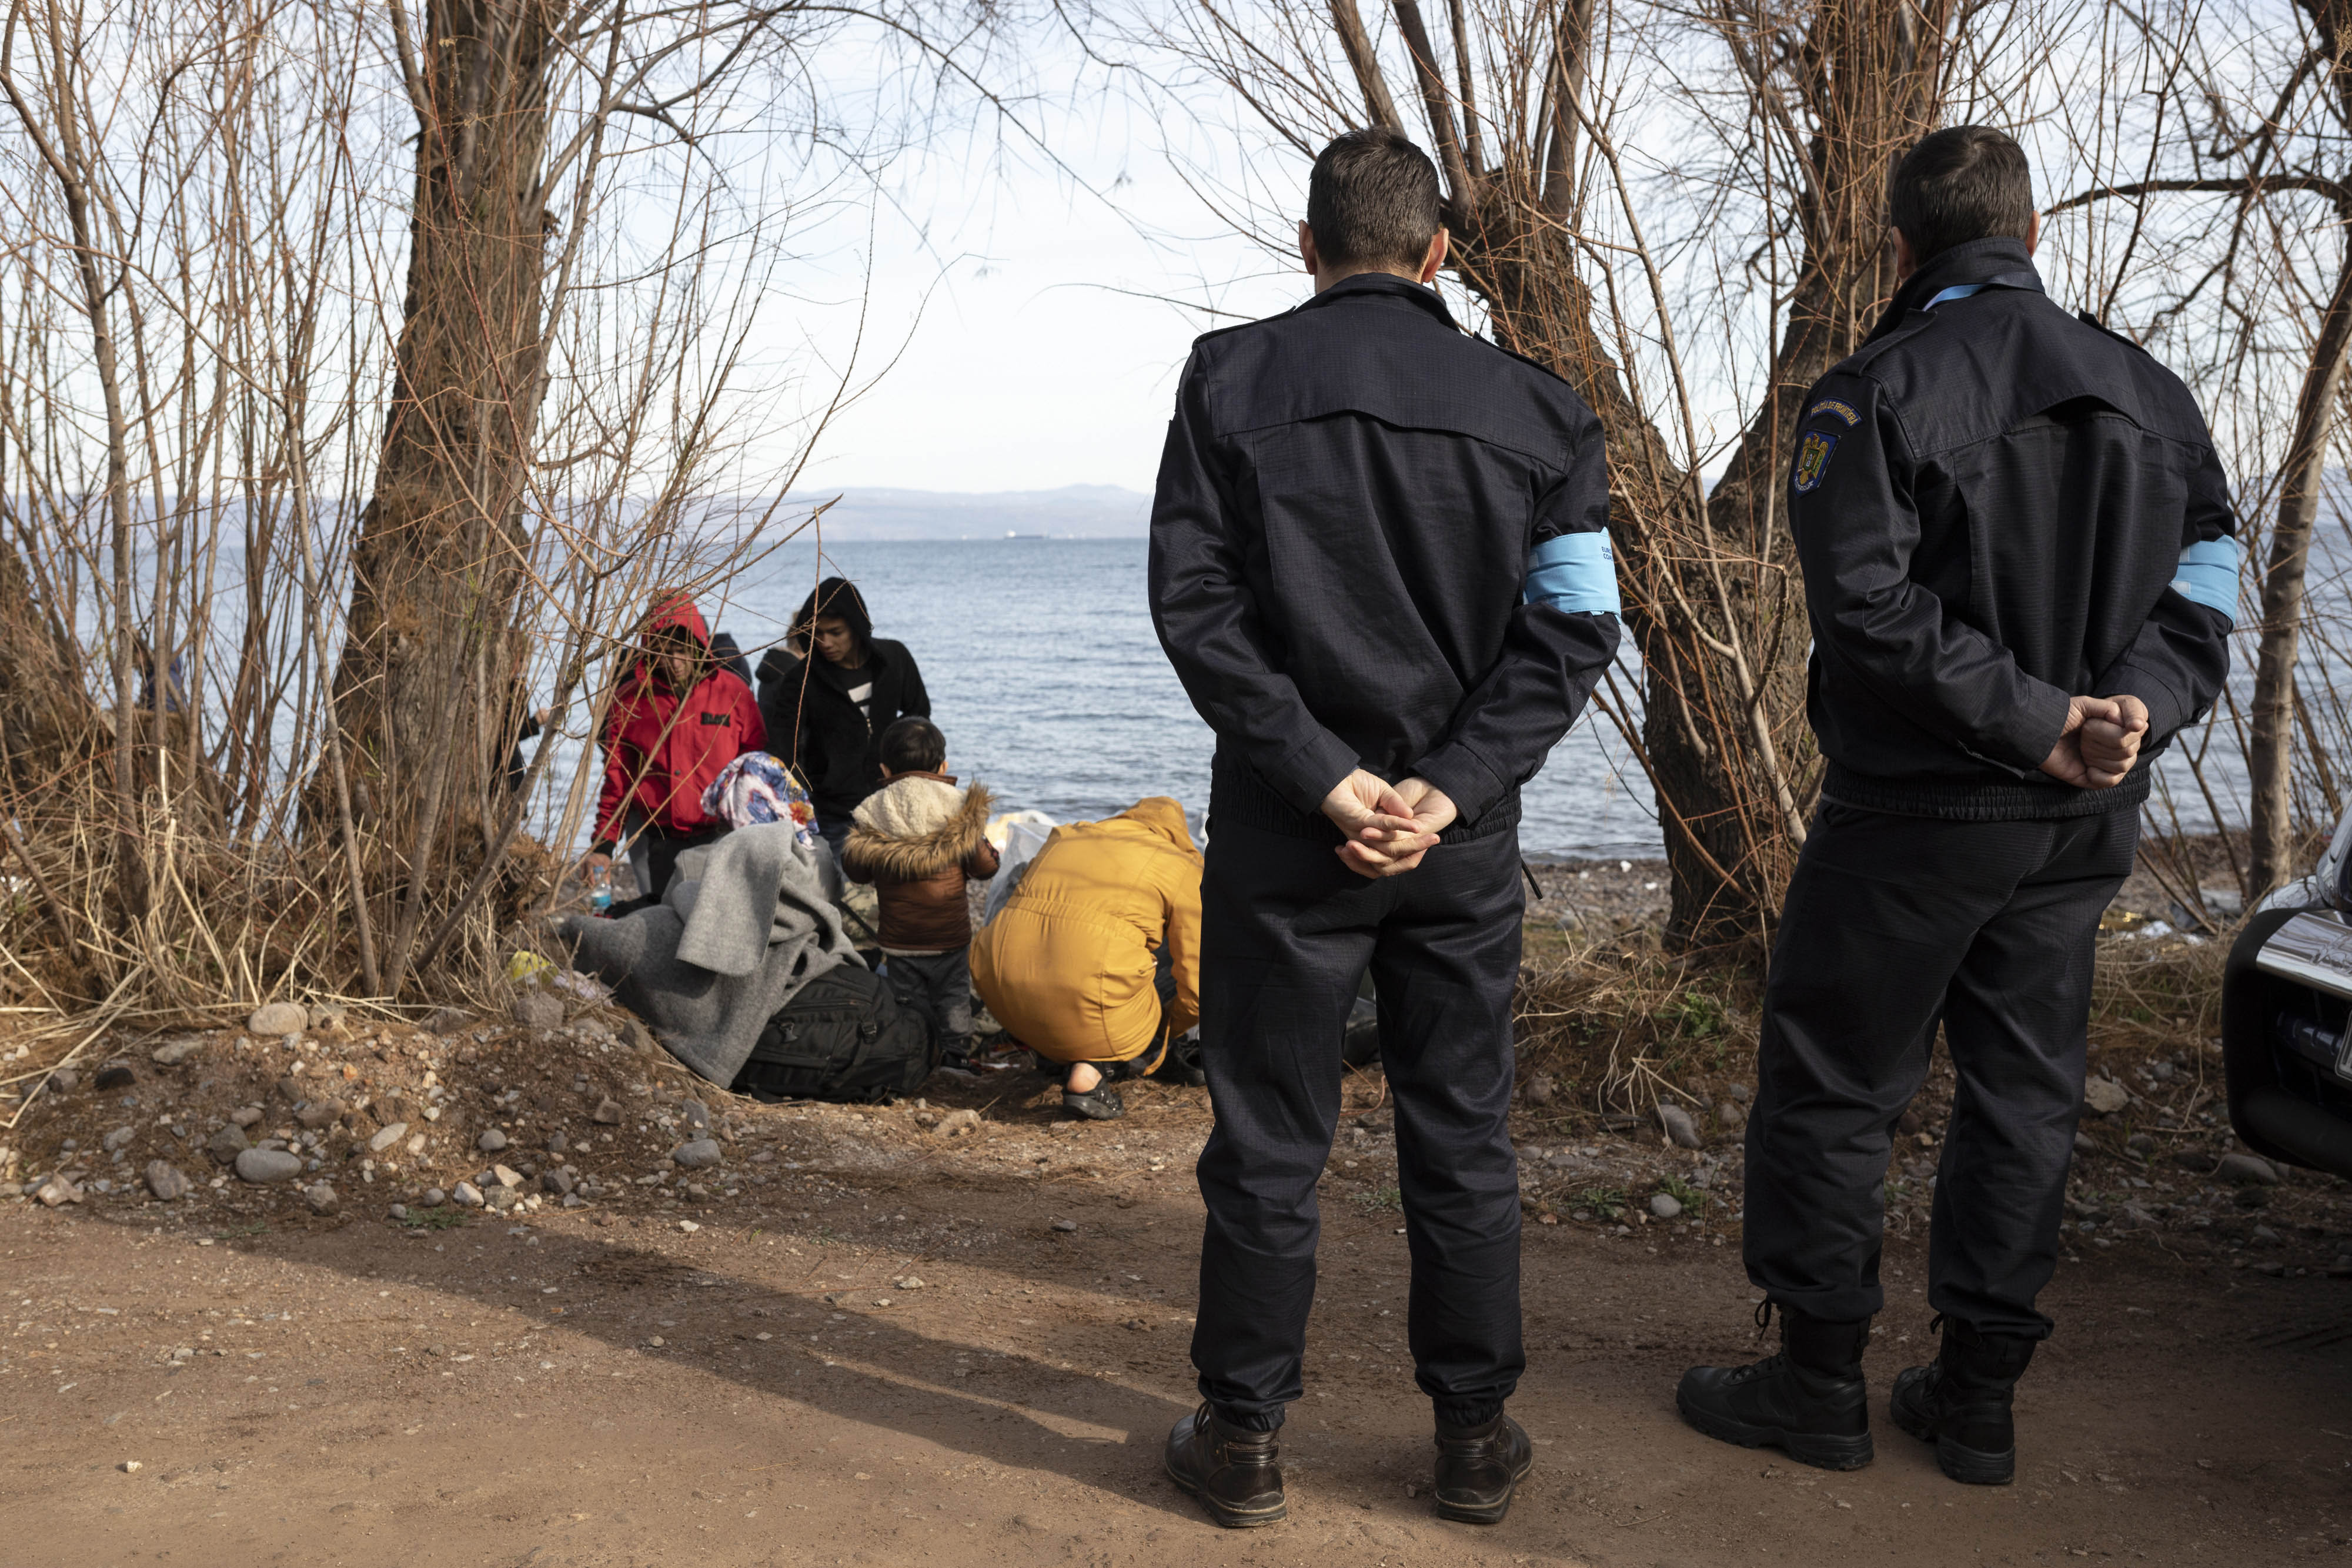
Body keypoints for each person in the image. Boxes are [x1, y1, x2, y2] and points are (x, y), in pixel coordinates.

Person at [1673, 126, 2236, 1487]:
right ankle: (1975, 1396)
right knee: (2024, 1094)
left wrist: (2050, 720)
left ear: (1900, 245)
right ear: (2029, 236)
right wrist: (2127, 711)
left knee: (1830, 1087)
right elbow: (2208, 590)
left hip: (1915, 815)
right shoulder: (2155, 394)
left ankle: (1817, 1384)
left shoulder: (1867, 394)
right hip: (2075, 819)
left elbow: (1861, 607)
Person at [1147, 128, 1621, 1529]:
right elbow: (1575, 628)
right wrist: (1450, 785)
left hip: (1294, 833)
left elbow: (1194, 608)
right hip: (1453, 845)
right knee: (1460, 1132)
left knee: (1268, 1138)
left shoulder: (1228, 379)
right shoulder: (1541, 411)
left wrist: (1319, 772)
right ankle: (1472, 1442)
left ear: (1306, 248)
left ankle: (1241, 1444)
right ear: (1438, 257)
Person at [969, 797, 1202, 1119]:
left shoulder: (1067, 836)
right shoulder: (1181, 866)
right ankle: (1090, 1070)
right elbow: (1200, 983)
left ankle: (1057, 1049)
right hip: (1090, 1005)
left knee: (1070, 945)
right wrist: (1164, 1033)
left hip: (1000, 993)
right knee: (1171, 962)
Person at [584, 592, 766, 901]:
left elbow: (759, 769)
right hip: (663, 843)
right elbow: (618, 780)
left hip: (725, 839)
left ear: (698, 643)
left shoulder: (733, 693)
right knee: (671, 931)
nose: (674, 662)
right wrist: (603, 845)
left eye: (682, 649)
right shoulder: (631, 701)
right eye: (663, 651)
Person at [840, 717, 1000, 1067]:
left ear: (884, 768)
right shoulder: (958, 806)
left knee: (909, 1001)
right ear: (943, 766)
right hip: (950, 936)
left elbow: (856, 870)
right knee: (954, 998)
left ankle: (914, 1055)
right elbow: (985, 867)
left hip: (899, 939)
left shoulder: (875, 809)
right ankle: (955, 1058)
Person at [755, 577, 930, 854]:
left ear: (857, 627)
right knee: (845, 896)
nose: (825, 642)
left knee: (898, 891)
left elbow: (919, 718)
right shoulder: (800, 681)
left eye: (835, 632)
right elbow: (782, 751)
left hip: (896, 805)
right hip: (836, 816)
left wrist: (907, 774)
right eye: (817, 633)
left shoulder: (894, 659)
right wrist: (808, 797)